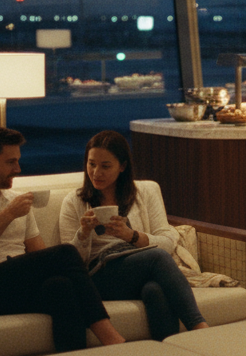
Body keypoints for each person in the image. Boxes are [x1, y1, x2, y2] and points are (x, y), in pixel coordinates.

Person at [0, 125, 126, 352]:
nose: (18, 168)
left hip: (15, 283)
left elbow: (39, 254)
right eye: (10, 162)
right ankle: (112, 338)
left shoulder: (15, 199)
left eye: (17, 161)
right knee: (66, 252)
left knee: (62, 286)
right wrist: (7, 215)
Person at [60, 130, 209, 341]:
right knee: (158, 258)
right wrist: (83, 234)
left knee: (154, 290)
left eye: (105, 166)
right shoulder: (73, 201)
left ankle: (169, 353)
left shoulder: (146, 192)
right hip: (99, 275)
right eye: (91, 164)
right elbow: (69, 262)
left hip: (137, 266)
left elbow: (168, 241)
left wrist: (131, 236)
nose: (96, 172)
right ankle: (200, 328)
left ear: (122, 166)